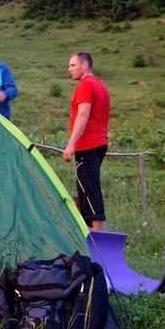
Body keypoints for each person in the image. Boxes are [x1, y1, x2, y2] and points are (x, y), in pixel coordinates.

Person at [62, 52, 111, 231]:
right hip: (100, 142)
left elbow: (83, 115)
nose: (69, 69)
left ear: (85, 65)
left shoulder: (85, 85)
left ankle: (97, 236)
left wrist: (71, 144)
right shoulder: (100, 85)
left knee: (89, 188)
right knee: (87, 187)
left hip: (88, 143)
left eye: (72, 65)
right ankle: (89, 231)